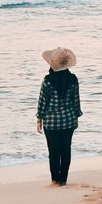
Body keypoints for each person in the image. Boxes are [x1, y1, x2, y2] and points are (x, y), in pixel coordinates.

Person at [36, 47, 83, 186]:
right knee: (66, 150)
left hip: (51, 123)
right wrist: (75, 117)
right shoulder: (73, 80)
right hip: (68, 122)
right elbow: (76, 102)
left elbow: (42, 102)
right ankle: (63, 180)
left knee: (53, 152)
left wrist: (39, 118)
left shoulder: (48, 81)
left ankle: (55, 181)